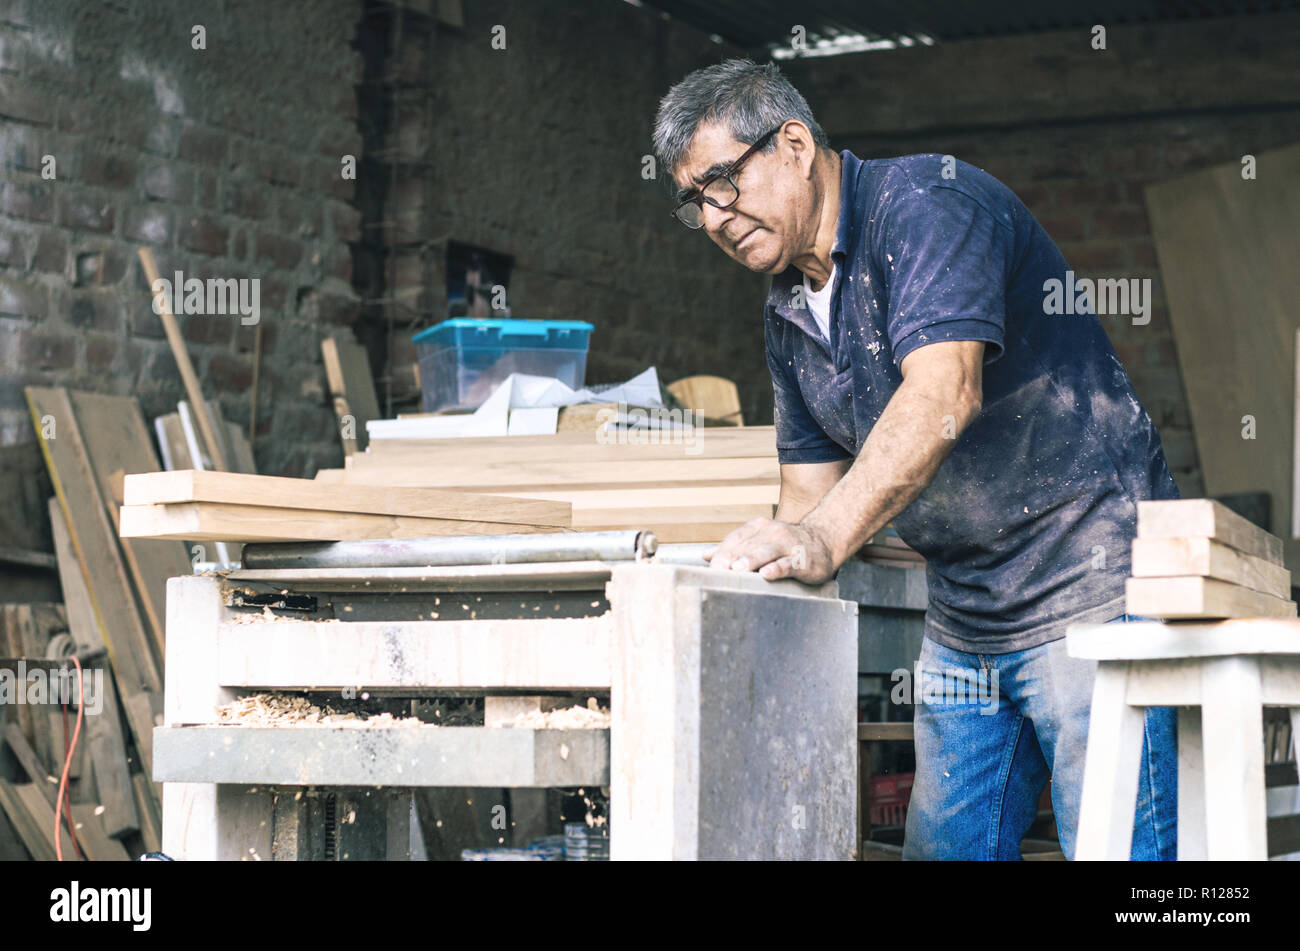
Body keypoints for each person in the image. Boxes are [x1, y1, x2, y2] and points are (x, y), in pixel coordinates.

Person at [651, 58, 1178, 860]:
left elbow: (943, 395)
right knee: (944, 850)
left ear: (794, 143)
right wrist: (741, 579)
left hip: (1095, 584)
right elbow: (807, 498)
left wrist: (824, 538)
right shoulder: (788, 308)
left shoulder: (929, 206)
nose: (717, 215)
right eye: (696, 200)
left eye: (724, 179)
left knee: (1123, 857)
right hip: (967, 614)